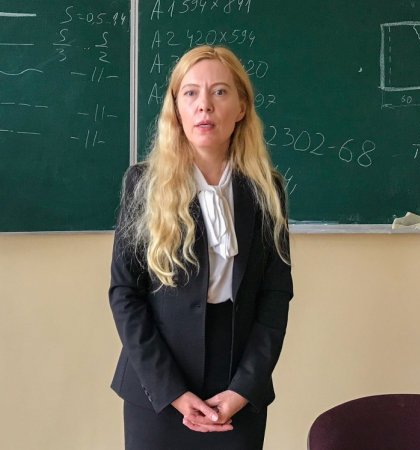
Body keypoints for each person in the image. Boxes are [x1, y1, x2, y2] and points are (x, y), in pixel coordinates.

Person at [108, 45, 293, 450]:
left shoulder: (267, 190)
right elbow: (125, 294)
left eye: (220, 92)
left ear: (241, 107)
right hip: (158, 387)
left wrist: (244, 388)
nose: (204, 105)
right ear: (176, 108)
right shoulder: (143, 185)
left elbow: (276, 295)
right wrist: (171, 391)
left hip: (237, 386)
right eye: (190, 93)